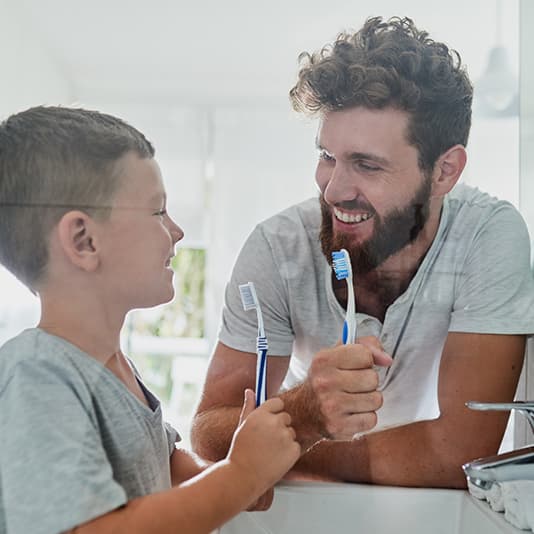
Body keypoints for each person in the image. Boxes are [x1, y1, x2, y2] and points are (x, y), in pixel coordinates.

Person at [191, 16, 534, 489]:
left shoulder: (488, 236)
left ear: (445, 172)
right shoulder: (276, 248)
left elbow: (457, 455)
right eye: (327, 156)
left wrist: (282, 446)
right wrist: (306, 410)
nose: (332, 190)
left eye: (366, 165)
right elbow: (210, 434)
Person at [0, 106, 301, 534]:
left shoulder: (115, 369)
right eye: (158, 212)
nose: (177, 231)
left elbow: (169, 464)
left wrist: (237, 474)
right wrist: (241, 475)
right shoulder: (37, 373)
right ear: (84, 240)